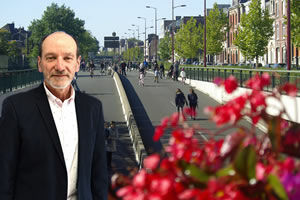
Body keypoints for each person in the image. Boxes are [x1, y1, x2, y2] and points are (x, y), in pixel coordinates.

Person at [0, 31, 108, 200]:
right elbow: (4, 177)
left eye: (67, 58)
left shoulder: (93, 108)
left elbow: (99, 172)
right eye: (51, 58)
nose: (59, 66)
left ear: (78, 64)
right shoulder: (15, 108)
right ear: (40, 64)